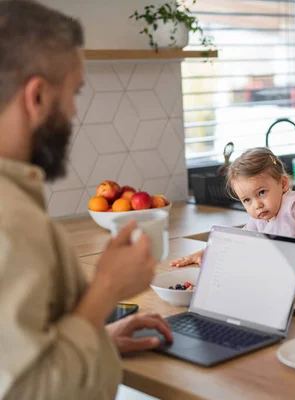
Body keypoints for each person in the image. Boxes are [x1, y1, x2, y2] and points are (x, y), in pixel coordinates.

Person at [0, 2, 172, 399]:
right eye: (73, 92)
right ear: (37, 96)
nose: (75, 110)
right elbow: (25, 392)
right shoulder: (11, 220)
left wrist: (99, 337)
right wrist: (106, 291)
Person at [171, 147, 295, 267]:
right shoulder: (260, 219)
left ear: (282, 184)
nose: (256, 205)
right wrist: (207, 252)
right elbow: (241, 241)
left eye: (261, 193)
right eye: (247, 200)